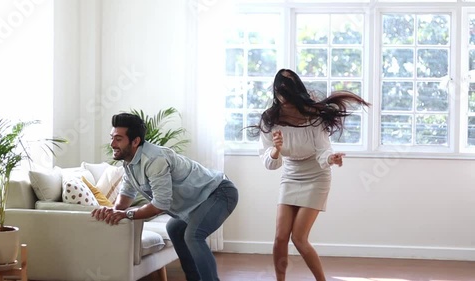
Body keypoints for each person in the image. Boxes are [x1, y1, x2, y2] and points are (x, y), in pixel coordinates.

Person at [253, 69, 370, 281]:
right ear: (276, 93)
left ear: (297, 92)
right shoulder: (270, 119)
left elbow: (322, 151)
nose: (284, 99)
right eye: (280, 94)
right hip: (290, 174)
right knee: (280, 237)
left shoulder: (313, 116)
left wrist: (331, 159)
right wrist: (276, 149)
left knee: (299, 238)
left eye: (288, 94)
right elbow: (269, 163)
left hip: (317, 176)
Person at [92, 112, 239, 281]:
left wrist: (128, 214)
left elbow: (160, 204)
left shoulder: (154, 159)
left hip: (220, 192)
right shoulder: (129, 164)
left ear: (135, 141)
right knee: (174, 229)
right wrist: (111, 211)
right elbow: (125, 196)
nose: (112, 144)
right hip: (199, 201)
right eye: (112, 137)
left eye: (118, 139)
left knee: (193, 235)